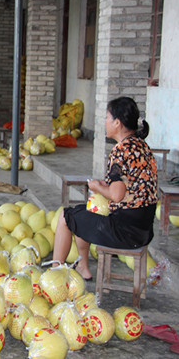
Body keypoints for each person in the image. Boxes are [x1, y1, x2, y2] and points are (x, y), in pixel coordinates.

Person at [53, 97, 158, 280]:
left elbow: (116, 196)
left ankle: (54, 276)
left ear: (117, 123)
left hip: (124, 232)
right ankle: (83, 267)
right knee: (83, 213)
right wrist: (106, 186)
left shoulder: (120, 150)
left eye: (108, 118)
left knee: (65, 216)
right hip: (144, 230)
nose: (105, 122)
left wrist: (96, 186)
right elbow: (129, 186)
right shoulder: (143, 147)